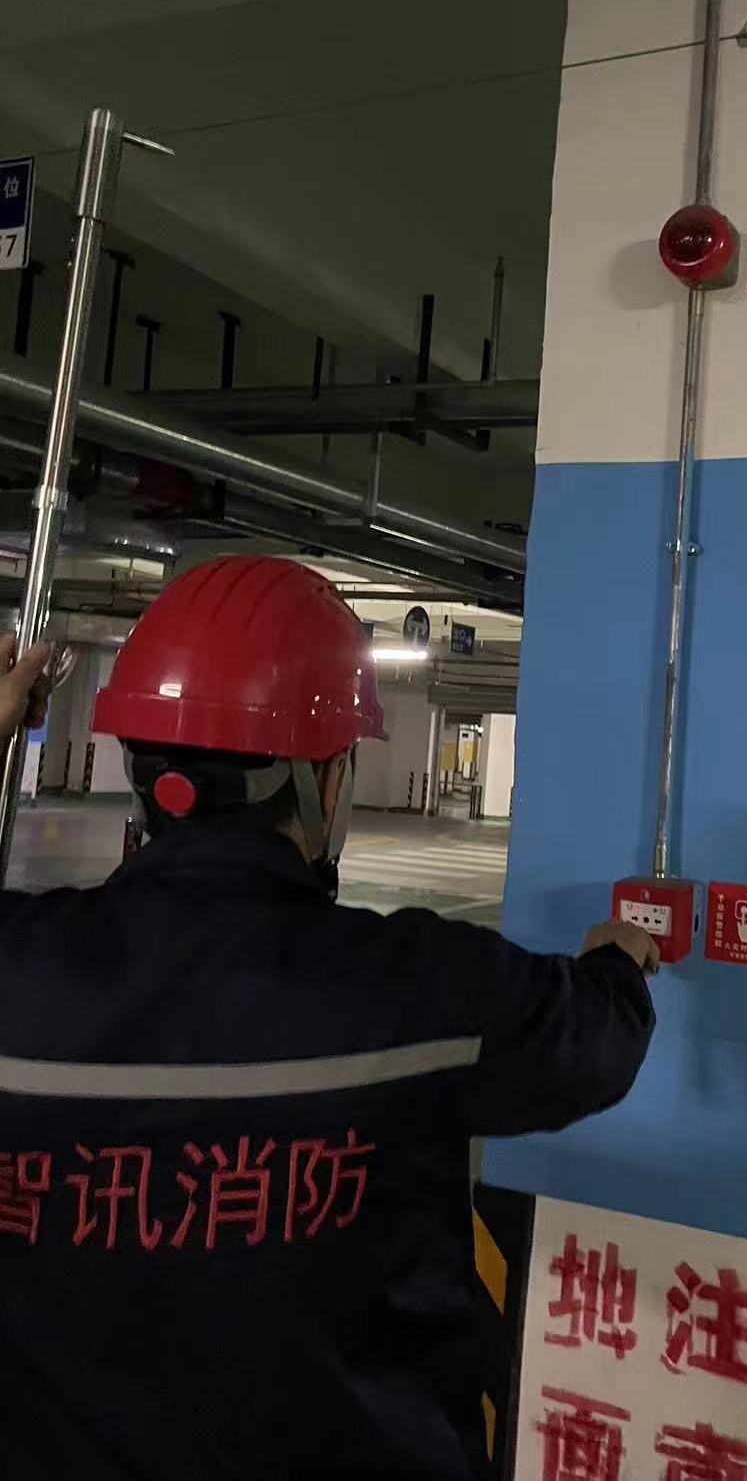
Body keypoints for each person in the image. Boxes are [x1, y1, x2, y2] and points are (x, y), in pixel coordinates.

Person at [0, 555, 657, 1480]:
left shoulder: (19, 969)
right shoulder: (418, 988)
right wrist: (620, 961)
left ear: (144, 768)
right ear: (327, 781)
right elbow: (592, 1045)